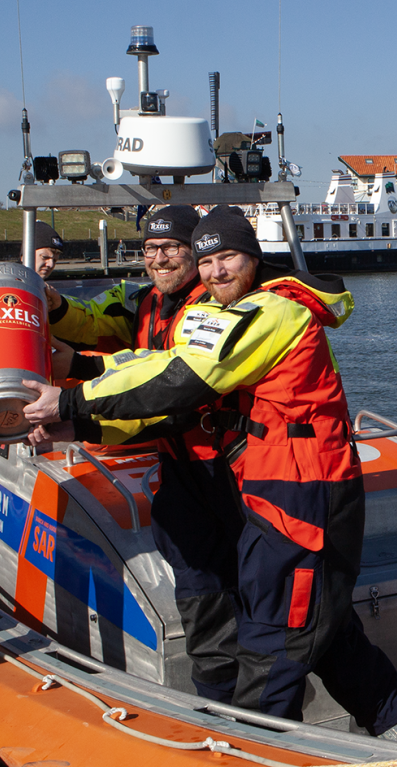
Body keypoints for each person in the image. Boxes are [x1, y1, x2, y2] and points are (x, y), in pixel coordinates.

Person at [23, 208, 397, 741]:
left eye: (224, 257)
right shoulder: (209, 309)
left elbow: (186, 379)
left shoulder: (271, 310)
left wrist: (72, 402)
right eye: (207, 260)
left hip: (302, 487)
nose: (213, 272)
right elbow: (155, 365)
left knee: (278, 632)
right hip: (260, 484)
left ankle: (257, 754)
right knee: (299, 621)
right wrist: (81, 385)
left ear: (252, 258)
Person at [36, 204, 243, 702]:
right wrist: (53, 306)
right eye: (150, 249)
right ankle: (217, 698)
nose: (159, 259)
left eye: (171, 247)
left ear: (198, 251)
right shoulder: (144, 302)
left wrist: (76, 415)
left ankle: (252, 701)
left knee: (238, 585)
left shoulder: (213, 308)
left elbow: (170, 388)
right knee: (198, 586)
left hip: (229, 469)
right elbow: (99, 327)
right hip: (181, 470)